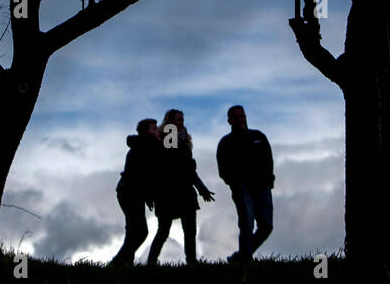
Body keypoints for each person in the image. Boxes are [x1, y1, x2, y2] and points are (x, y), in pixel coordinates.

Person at [148, 109, 214, 265]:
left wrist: (201, 188)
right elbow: (173, 164)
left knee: (189, 230)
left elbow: (187, 169)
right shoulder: (168, 139)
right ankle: (151, 262)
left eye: (182, 120)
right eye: (178, 119)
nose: (181, 122)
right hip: (168, 192)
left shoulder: (183, 140)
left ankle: (191, 261)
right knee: (164, 230)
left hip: (184, 191)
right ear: (169, 121)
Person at [216, 105, 274, 262]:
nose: (241, 120)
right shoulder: (226, 143)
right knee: (247, 224)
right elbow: (223, 169)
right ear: (230, 121)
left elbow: (268, 160)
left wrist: (269, 181)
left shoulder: (258, 136)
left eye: (242, 116)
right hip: (242, 189)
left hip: (262, 187)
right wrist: (235, 183)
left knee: (266, 226)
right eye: (236, 117)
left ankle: (242, 256)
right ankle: (245, 260)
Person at [110, 118, 162, 266]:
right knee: (140, 232)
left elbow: (145, 175)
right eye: (154, 129)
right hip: (130, 191)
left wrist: (148, 197)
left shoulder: (141, 146)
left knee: (133, 231)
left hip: (129, 191)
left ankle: (125, 264)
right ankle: (117, 262)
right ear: (146, 132)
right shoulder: (146, 145)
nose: (157, 131)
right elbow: (144, 175)